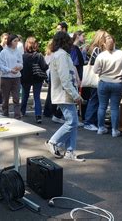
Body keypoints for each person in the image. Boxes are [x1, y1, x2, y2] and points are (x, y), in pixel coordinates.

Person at [45, 31, 84, 161]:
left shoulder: (61, 55)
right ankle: (53, 142)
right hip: (64, 93)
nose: (71, 44)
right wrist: (75, 94)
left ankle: (70, 151)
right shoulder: (61, 55)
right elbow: (65, 79)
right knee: (72, 122)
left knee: (72, 122)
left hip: (65, 92)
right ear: (65, 42)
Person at [93, 31, 122, 137]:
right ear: (115, 42)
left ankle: (101, 128)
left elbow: (95, 71)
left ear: (103, 44)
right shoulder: (121, 54)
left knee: (102, 106)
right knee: (114, 107)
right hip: (117, 83)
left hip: (103, 82)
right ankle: (115, 130)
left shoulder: (101, 56)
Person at [20, 36, 48, 123]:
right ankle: (38, 116)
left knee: (25, 96)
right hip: (37, 78)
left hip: (25, 78)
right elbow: (44, 67)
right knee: (37, 97)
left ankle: (22, 112)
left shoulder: (23, 56)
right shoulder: (39, 56)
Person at [82, 30, 105, 131]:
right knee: (94, 99)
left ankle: (93, 121)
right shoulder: (97, 50)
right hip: (96, 78)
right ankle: (89, 122)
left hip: (96, 78)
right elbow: (98, 64)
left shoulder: (93, 48)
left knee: (96, 100)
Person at [0, 34, 23, 119]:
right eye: (15, 41)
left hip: (16, 77)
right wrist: (10, 70)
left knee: (16, 97)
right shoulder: (4, 52)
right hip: (6, 77)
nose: (16, 43)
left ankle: (17, 115)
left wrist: (19, 67)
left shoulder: (18, 51)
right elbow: (0, 65)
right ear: (10, 41)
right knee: (5, 97)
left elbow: (21, 63)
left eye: (17, 41)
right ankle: (5, 113)